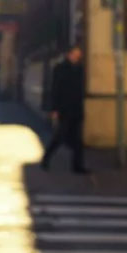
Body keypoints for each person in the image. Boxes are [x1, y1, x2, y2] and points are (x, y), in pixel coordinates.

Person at [41, 45, 88, 174]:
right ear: (69, 54)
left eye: (79, 54)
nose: (77, 56)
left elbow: (79, 90)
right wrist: (54, 109)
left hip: (76, 108)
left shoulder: (79, 69)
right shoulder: (60, 68)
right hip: (64, 108)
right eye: (75, 54)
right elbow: (56, 89)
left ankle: (77, 166)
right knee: (60, 137)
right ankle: (46, 157)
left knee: (78, 140)